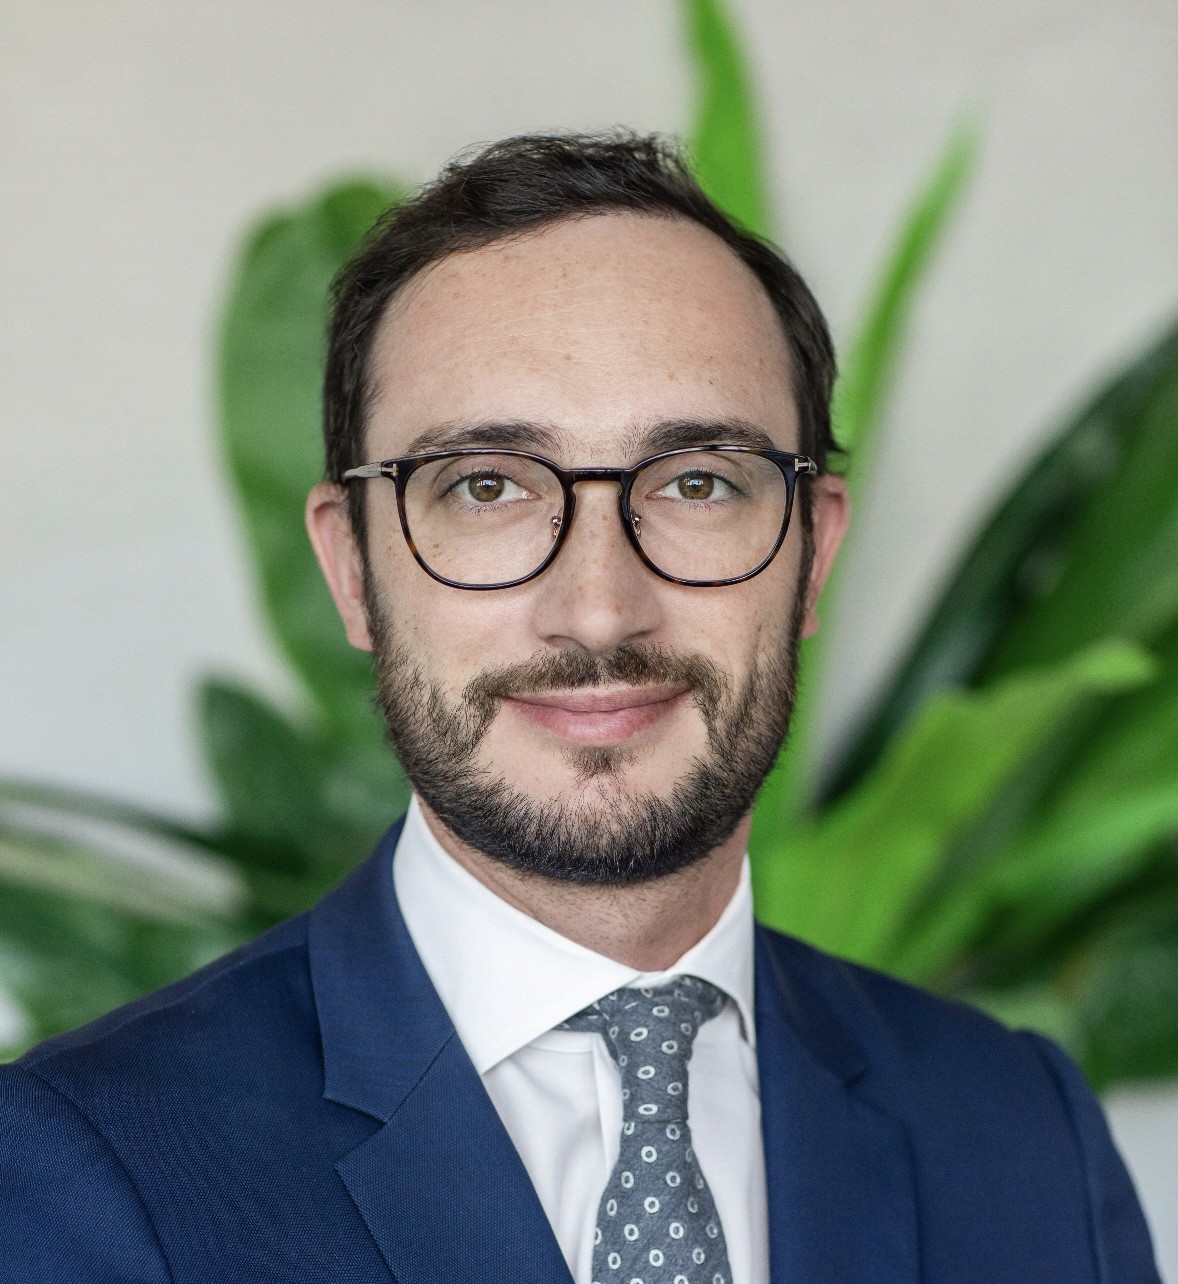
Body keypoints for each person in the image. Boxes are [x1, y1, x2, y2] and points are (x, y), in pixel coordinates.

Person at [0, 133, 1160, 1283]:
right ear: (351, 569)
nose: (599, 610)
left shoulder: (1023, 1132)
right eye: (486, 487)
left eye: (696, 482)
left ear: (811, 556)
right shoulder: (75, 1169)